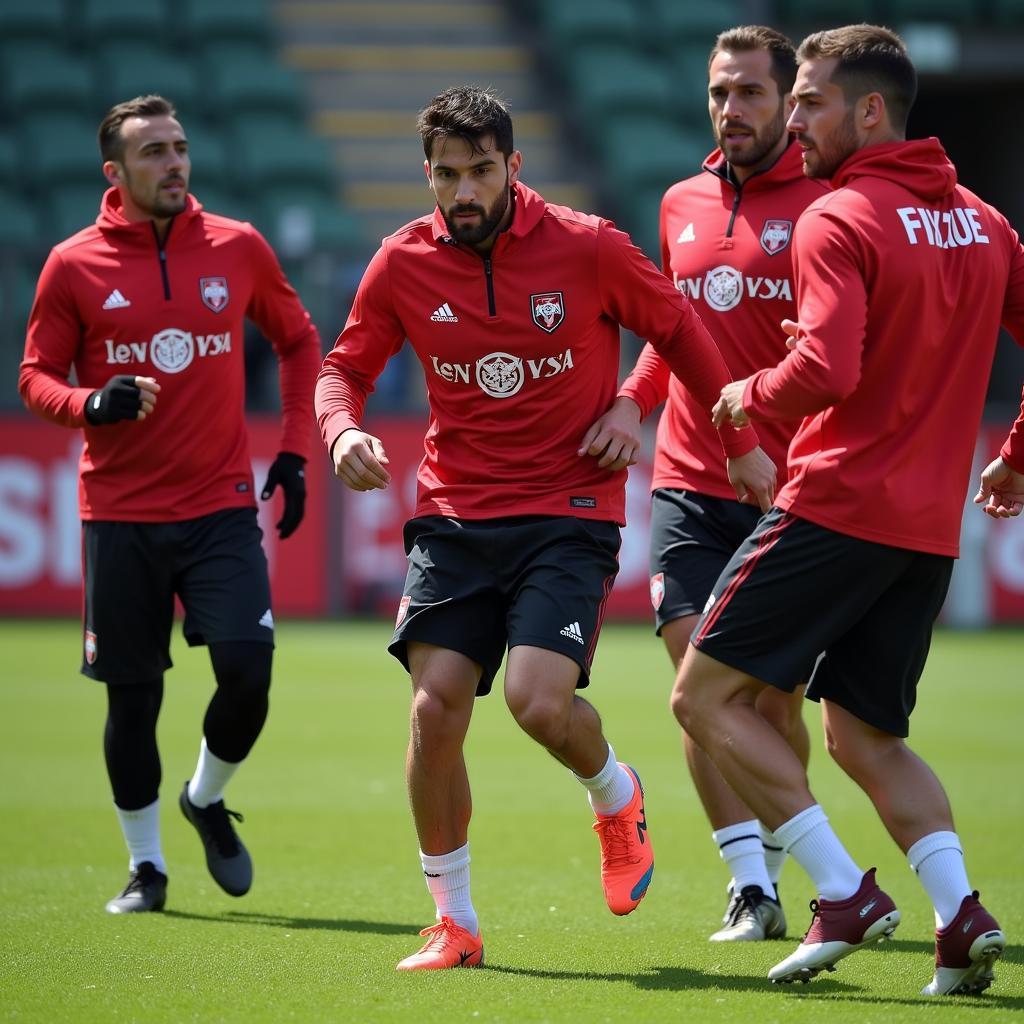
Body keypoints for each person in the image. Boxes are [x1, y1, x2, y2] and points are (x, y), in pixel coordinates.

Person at [315, 86, 776, 971]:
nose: (463, 191)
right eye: (446, 174)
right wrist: (342, 430)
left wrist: (728, 439)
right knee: (433, 710)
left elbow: (678, 330)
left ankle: (616, 792)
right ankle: (455, 921)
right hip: (455, 512)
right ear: (428, 175)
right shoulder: (401, 261)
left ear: (513, 168)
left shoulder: (589, 245)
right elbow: (344, 368)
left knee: (534, 701)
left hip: (569, 508)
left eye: (480, 170)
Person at [672, 25, 1021, 995]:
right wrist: (1017, 457)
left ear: (869, 112)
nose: (792, 119)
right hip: (925, 532)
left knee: (700, 698)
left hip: (832, 506)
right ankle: (958, 918)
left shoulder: (840, 216)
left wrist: (751, 392)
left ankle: (837, 888)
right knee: (863, 735)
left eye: (809, 101)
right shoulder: (987, 225)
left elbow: (828, 366)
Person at [19, 95, 321, 914]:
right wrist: (89, 404)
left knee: (248, 675)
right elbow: (35, 376)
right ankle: (146, 870)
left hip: (218, 506)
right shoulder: (72, 263)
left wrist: (295, 450)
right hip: (116, 514)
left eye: (180, 147)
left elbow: (297, 341)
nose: (174, 162)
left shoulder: (238, 246)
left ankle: (205, 797)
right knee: (133, 698)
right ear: (115, 172)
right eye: (153, 151)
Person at [596, 25, 826, 942]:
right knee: (696, 681)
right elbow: (668, 326)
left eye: (752, 94)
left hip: (791, 487)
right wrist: (628, 402)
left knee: (770, 704)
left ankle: (790, 867)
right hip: (689, 478)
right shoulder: (681, 201)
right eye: (719, 93)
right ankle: (751, 887)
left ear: (789, 103)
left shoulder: (828, 204)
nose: (732, 110)